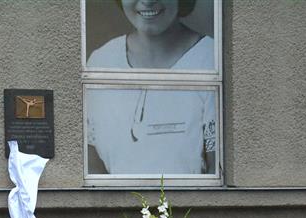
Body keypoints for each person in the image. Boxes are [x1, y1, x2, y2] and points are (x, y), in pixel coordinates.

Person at [86, 0, 216, 175]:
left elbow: (219, 170)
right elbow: (92, 166)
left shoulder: (210, 59)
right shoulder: (101, 61)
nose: (147, 1)